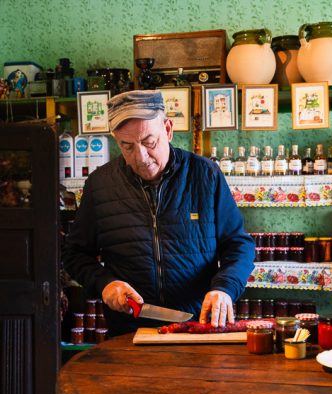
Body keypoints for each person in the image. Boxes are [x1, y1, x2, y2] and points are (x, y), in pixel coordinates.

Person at [62, 90, 255, 336]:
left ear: (168, 129)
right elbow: (75, 254)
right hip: (129, 331)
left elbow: (238, 245)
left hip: (197, 327)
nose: (140, 157)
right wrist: (105, 283)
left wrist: (225, 288)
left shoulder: (205, 175)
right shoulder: (100, 184)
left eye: (149, 142)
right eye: (127, 146)